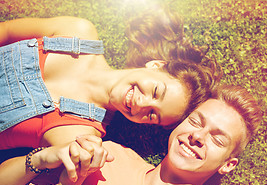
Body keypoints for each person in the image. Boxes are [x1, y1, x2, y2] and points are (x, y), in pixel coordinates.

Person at [0, 84, 262, 185]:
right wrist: (49, 165)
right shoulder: (106, 157)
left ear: (228, 164)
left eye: (217, 139)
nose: (197, 136)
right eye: (196, 121)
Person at [0, 7, 221, 150]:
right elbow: (8, 32)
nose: (141, 105)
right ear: (156, 65)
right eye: (155, 91)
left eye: (153, 115)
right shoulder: (78, 31)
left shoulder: (81, 133)